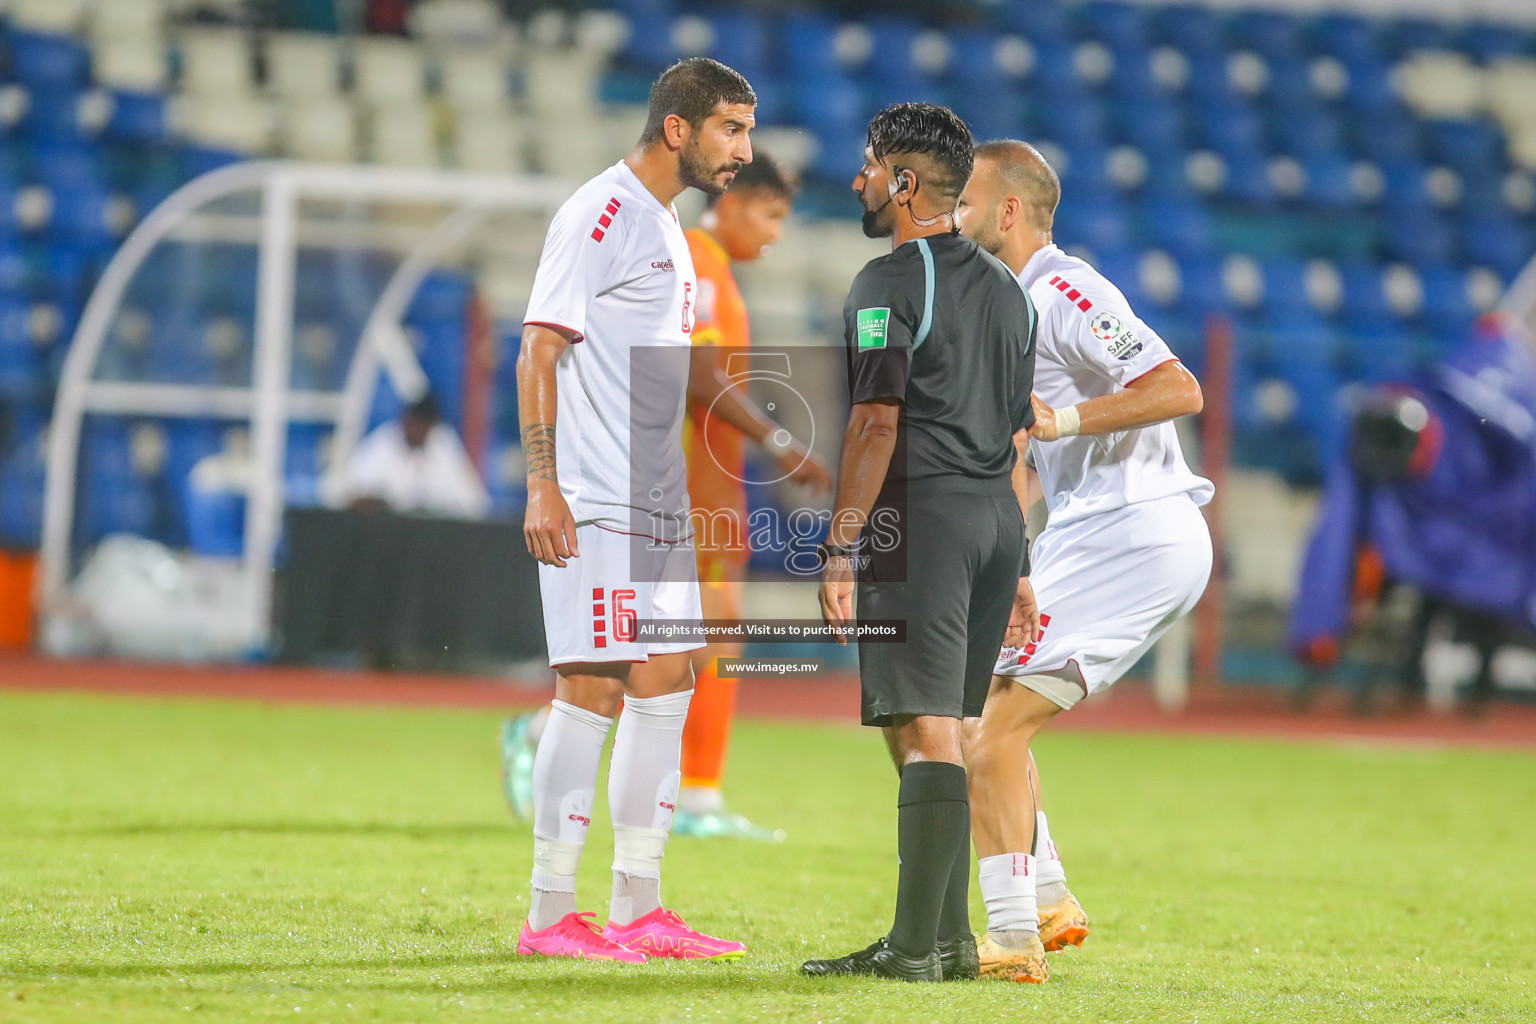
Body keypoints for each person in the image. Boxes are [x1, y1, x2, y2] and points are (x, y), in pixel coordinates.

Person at [498, 155, 833, 842]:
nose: (773, 235)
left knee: (699, 643)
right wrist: (779, 441)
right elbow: (701, 374)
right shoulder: (699, 261)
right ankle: (588, 753)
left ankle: (693, 793)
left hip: (707, 488)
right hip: (673, 486)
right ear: (734, 203)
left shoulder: (710, 267)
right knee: (673, 648)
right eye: (770, 215)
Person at [513, 56, 756, 964]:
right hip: (596, 497)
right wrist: (544, 484)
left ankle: (639, 908)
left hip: (653, 505)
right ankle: (548, 915)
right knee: (591, 687)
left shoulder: (666, 227)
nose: (744, 149)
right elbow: (539, 349)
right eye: (732, 128)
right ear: (678, 128)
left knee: (668, 683)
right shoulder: (601, 212)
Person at [954, 139, 1214, 982]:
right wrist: (1005, 554)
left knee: (988, 735)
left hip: (1133, 531)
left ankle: (1010, 937)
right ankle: (1049, 900)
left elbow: (1178, 388)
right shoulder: (1010, 304)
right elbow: (1027, 460)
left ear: (1007, 211)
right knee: (977, 716)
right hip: (1091, 533)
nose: (952, 219)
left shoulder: (1067, 289)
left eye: (964, 204)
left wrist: (1060, 422)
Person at [800, 103, 1038, 983]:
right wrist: (1019, 566)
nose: (858, 180)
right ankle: (947, 940)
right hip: (992, 524)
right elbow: (1017, 439)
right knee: (929, 726)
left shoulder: (889, 282)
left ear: (904, 184)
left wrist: (839, 547)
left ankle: (915, 947)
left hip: (928, 523)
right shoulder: (1012, 289)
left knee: (925, 728)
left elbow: (873, 422)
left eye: (869, 166)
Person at [339, 393, 489, 518]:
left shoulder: (443, 445)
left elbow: (475, 503)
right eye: (413, 423)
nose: (416, 430)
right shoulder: (383, 442)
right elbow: (353, 496)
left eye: (423, 426)